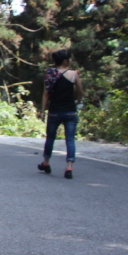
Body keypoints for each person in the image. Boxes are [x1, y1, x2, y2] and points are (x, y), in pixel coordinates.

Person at [38, 48, 84, 179]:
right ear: (65, 61)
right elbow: (80, 91)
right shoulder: (74, 74)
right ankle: (69, 167)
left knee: (50, 138)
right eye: (69, 59)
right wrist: (78, 101)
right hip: (70, 111)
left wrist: (43, 110)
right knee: (70, 139)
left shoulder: (49, 74)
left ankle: (46, 163)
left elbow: (46, 93)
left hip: (54, 111)